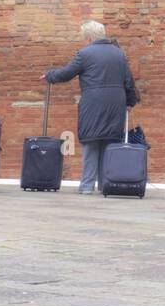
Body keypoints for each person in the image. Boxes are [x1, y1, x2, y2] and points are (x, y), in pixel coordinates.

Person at [42, 21, 139, 195]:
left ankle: (87, 186)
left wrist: (50, 75)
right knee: (110, 144)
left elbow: (66, 73)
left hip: (93, 103)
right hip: (116, 103)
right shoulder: (119, 54)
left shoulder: (85, 54)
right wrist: (130, 102)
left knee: (91, 143)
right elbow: (128, 81)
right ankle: (106, 186)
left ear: (88, 37)